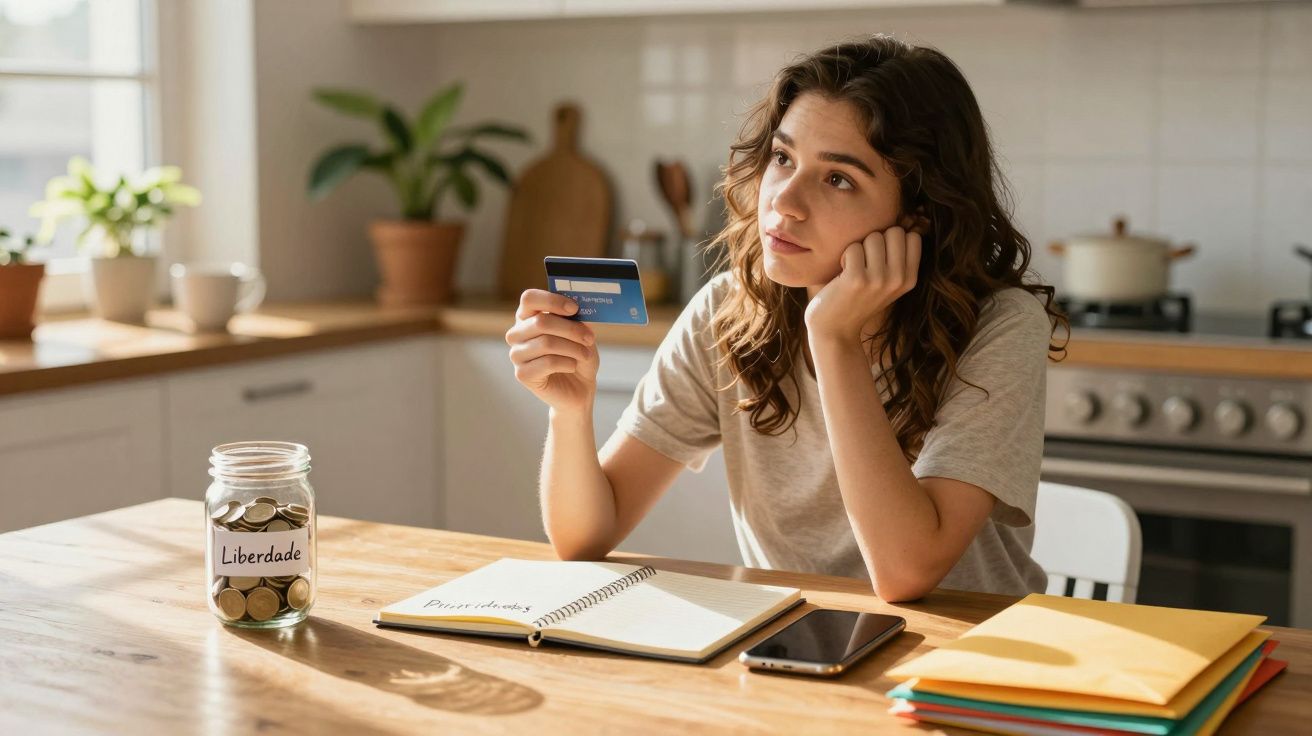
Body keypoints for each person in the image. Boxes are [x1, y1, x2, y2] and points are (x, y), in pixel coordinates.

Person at [504, 35, 1069, 602]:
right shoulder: (729, 311)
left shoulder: (1000, 327)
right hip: (794, 644)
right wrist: (571, 412)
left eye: (838, 178)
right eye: (782, 158)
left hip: (971, 657)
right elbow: (584, 538)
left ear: (919, 213)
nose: (784, 202)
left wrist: (833, 337)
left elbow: (905, 573)